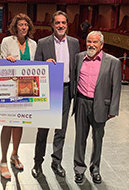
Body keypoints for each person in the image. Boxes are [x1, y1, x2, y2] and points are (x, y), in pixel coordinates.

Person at [31, 11, 80, 178]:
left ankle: (56, 162)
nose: (61, 26)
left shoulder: (74, 43)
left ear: (67, 25)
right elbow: (35, 66)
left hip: (66, 90)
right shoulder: (43, 42)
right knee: (43, 129)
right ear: (52, 25)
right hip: (48, 91)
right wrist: (44, 65)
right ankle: (38, 163)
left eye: (64, 23)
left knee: (61, 129)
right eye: (57, 23)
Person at [73, 31, 121, 184]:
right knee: (80, 138)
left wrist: (113, 109)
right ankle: (79, 169)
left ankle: (95, 169)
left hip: (100, 105)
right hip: (81, 102)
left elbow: (116, 87)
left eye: (95, 42)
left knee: (97, 139)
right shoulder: (79, 57)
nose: (91, 45)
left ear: (101, 45)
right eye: (89, 42)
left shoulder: (113, 62)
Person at [0, 13, 37, 180]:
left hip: (26, 90)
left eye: (26, 25)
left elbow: (37, 66)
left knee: (20, 123)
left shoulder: (34, 44)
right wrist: (7, 60)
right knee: (7, 124)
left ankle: (15, 154)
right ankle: (2, 160)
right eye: (20, 25)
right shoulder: (7, 41)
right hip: (9, 89)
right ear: (15, 27)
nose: (23, 27)